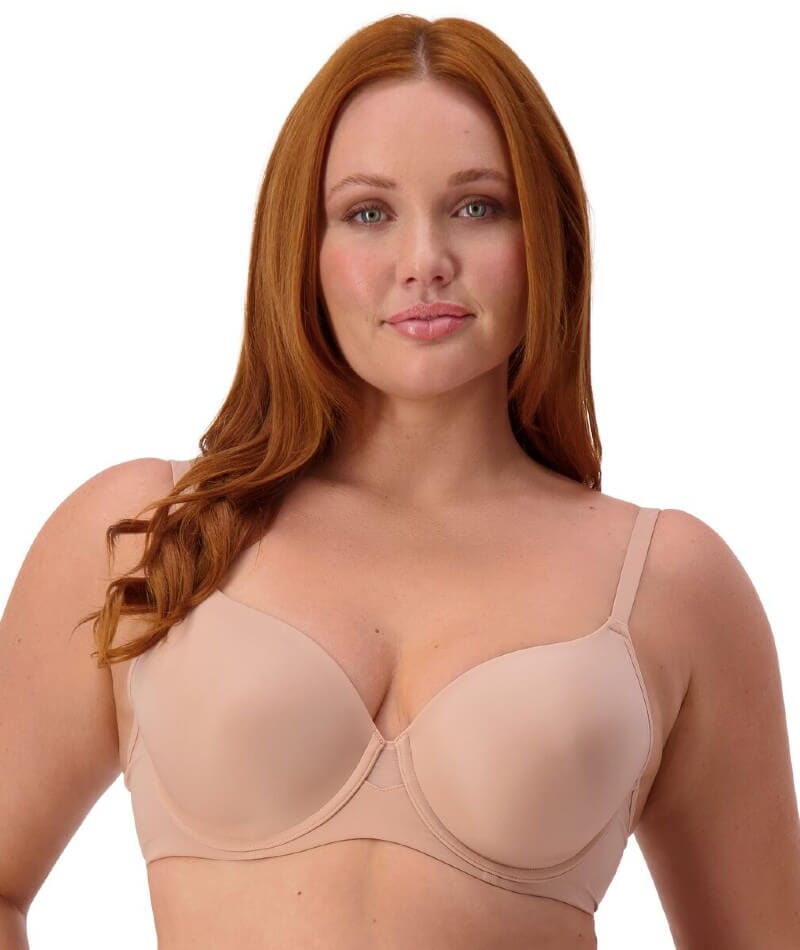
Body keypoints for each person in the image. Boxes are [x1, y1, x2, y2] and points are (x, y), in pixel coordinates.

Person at [1, 13, 799, 950]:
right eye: (369, 213)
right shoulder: (148, 535)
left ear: (548, 237)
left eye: (478, 206)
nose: (425, 262)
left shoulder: (670, 584)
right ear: (302, 245)